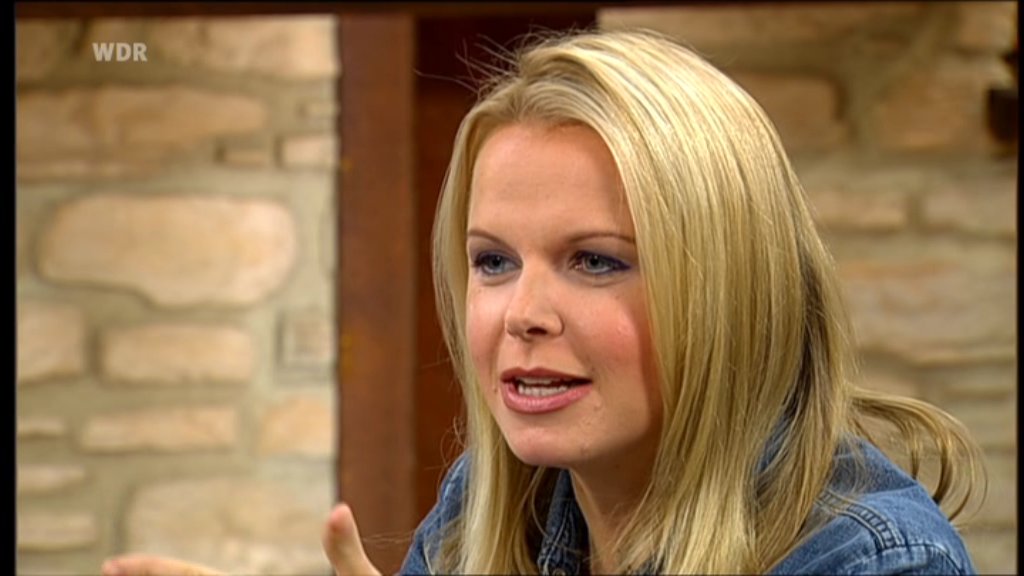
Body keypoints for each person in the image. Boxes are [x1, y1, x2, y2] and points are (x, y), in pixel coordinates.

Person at [101, 28, 986, 576]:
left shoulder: (873, 559)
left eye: (595, 262)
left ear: (728, 293)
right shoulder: (493, 501)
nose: (521, 313)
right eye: (493, 261)